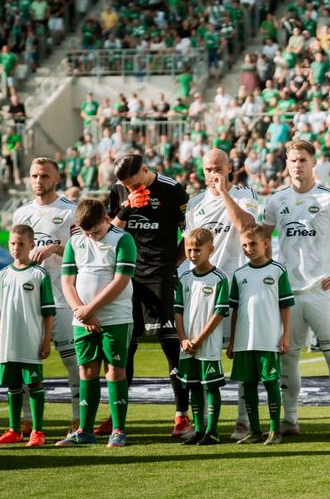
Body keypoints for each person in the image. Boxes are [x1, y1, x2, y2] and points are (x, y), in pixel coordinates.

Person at [261, 139, 330, 438]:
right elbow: (262, 239)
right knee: (288, 358)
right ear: (286, 164)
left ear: (313, 162)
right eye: (292, 160)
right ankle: (290, 419)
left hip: (321, 291)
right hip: (289, 294)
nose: (297, 165)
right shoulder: (277, 200)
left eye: (302, 159)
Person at [107, 153, 191, 438]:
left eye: (133, 184)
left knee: (171, 346)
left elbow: (188, 231)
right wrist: (126, 208)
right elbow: (109, 235)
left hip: (160, 275)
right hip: (128, 276)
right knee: (126, 347)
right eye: (125, 186)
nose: (130, 189)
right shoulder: (119, 191)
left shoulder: (172, 189)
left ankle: (182, 415)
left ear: (145, 170)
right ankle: (116, 417)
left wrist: (174, 264)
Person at [185, 149, 261, 441]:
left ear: (230, 168)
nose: (212, 174)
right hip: (205, 290)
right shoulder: (195, 204)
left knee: (241, 355)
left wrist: (224, 194)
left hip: (238, 286)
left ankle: (242, 420)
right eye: (207, 169)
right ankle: (202, 423)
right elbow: (189, 246)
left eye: (218, 168)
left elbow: (245, 226)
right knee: (204, 355)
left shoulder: (245, 195)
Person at [56, 199, 136, 448]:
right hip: (82, 318)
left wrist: (91, 309)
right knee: (86, 371)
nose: (91, 237)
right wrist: (80, 310)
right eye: (86, 232)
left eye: (96, 231)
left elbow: (121, 281)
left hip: (115, 317)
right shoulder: (75, 241)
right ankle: (85, 430)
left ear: (106, 219)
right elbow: (67, 281)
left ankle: (118, 430)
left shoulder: (123, 239)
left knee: (114, 370)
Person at [12, 157, 80, 432]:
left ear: (56, 179)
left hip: (63, 297)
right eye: (34, 176)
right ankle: (28, 420)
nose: (38, 181)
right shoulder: (21, 213)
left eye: (44, 176)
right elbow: (16, 254)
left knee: (73, 362)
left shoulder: (69, 211)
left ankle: (78, 418)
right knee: (27, 362)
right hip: (31, 301)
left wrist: (54, 249)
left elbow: (81, 253)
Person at [0, 225, 54, 447]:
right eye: (13, 243)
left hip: (31, 340)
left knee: (34, 385)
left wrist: (46, 340)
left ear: (32, 245)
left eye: (21, 244)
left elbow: (48, 313)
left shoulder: (39, 274)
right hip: (8, 341)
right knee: (13, 386)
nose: (16, 248)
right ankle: (14, 430)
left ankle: (37, 432)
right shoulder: (2, 275)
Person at [227, 223, 293, 446]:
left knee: (271, 383)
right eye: (244, 245)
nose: (248, 248)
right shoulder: (239, 274)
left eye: (253, 244)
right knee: (248, 386)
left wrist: (285, 336)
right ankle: (255, 430)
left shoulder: (277, 270)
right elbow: (235, 310)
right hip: (244, 341)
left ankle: (275, 429)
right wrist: (233, 341)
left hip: (268, 338)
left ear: (265, 243)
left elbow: (286, 306)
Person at [174, 228, 230, 446]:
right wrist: (183, 339)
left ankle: (212, 431)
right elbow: (177, 310)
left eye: (198, 250)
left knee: (211, 386)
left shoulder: (219, 279)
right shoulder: (185, 278)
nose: (193, 254)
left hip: (207, 345)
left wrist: (199, 339)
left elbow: (219, 312)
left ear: (211, 250)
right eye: (189, 249)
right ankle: (198, 430)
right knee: (194, 385)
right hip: (187, 344)